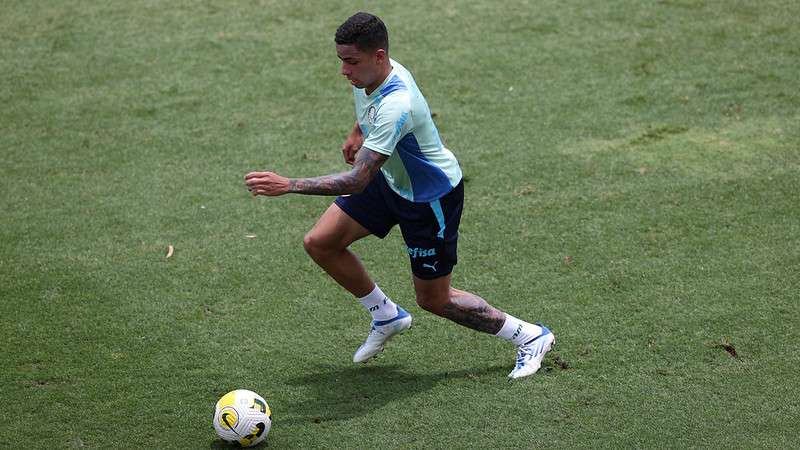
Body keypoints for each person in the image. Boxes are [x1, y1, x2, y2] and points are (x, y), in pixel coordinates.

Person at [244, 12, 554, 379]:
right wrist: (357, 131)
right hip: (390, 180)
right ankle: (386, 315)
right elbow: (367, 109)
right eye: (341, 60)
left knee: (434, 300)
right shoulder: (370, 75)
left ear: (378, 56)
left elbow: (356, 180)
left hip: (429, 199)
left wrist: (288, 185)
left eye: (351, 62)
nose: (344, 71)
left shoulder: (397, 104)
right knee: (321, 242)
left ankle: (529, 336)